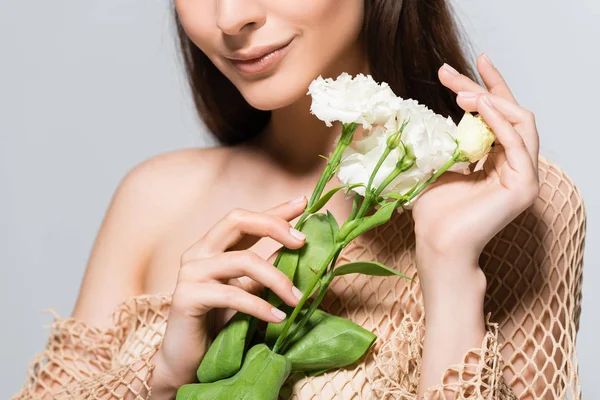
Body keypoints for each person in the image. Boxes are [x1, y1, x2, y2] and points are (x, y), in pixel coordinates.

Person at [12, 1, 586, 399]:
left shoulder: (511, 208)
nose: (230, 16)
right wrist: (165, 379)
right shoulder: (154, 199)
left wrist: (450, 270)